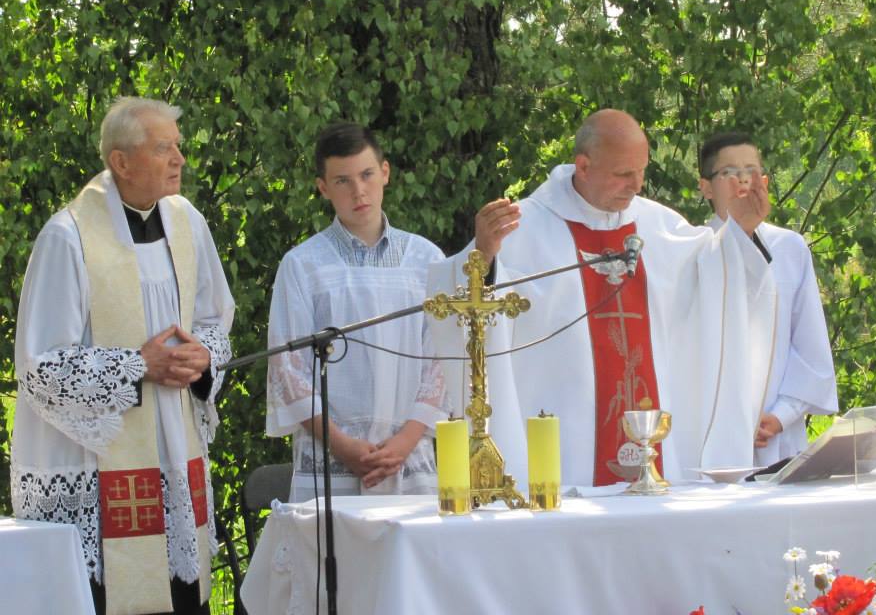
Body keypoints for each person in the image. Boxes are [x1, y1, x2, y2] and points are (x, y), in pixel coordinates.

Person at [428, 109, 778, 487]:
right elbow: (463, 302)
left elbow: (715, 273)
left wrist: (740, 232)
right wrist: (483, 255)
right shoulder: (523, 228)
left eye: (641, 171)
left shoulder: (657, 225)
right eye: (624, 174)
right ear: (583, 166)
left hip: (654, 449)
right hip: (564, 448)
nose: (637, 185)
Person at [11, 97, 235, 615]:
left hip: (174, 451)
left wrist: (202, 357)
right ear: (121, 162)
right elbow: (41, 368)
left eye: (177, 146)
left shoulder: (187, 222)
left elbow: (216, 318)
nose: (179, 159)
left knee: (181, 597)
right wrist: (137, 366)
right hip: (99, 469)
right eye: (163, 148)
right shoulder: (68, 237)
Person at [266, 123, 447, 500]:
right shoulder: (303, 264)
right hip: (331, 458)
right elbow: (288, 368)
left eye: (366, 175)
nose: (358, 191)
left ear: (385, 172)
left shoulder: (426, 260)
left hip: (407, 457)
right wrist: (344, 446)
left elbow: (440, 360)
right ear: (323, 188)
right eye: (342, 181)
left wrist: (405, 441)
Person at [698, 131, 838, 466]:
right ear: (706, 187)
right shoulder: (692, 249)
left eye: (751, 171)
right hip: (711, 431)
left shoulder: (789, 248)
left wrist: (782, 414)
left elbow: (809, 345)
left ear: (764, 181)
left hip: (778, 434)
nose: (742, 182)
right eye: (730, 173)